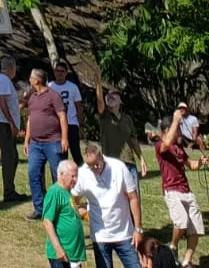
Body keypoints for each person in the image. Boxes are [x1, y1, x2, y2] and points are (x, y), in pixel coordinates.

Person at [73, 140, 143, 268]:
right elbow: (73, 200)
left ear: (101, 156)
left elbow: (133, 198)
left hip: (124, 234)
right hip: (100, 237)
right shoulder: (82, 173)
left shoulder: (118, 167)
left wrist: (138, 229)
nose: (94, 169)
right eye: (90, 166)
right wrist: (78, 212)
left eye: (96, 165)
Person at [154, 109, 208, 268]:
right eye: (176, 129)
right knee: (181, 222)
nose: (179, 132)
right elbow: (166, 144)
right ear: (166, 130)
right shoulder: (160, 146)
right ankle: (173, 246)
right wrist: (176, 119)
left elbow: (191, 165)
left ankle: (187, 261)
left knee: (197, 229)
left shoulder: (179, 149)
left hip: (186, 191)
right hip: (172, 190)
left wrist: (200, 162)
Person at [25, 69, 70, 220]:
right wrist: (27, 140)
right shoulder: (32, 98)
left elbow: (62, 117)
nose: (29, 80)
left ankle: (61, 207)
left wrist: (64, 138)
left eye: (31, 77)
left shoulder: (53, 96)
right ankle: (40, 208)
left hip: (53, 142)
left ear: (37, 80)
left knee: (59, 176)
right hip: (36, 144)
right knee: (33, 173)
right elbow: (31, 120)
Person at [93, 75, 147, 185]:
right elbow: (99, 101)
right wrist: (98, 83)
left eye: (114, 94)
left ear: (121, 101)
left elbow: (134, 141)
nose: (110, 95)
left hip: (129, 163)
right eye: (107, 94)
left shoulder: (127, 119)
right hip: (110, 164)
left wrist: (141, 159)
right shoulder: (104, 116)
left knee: (133, 198)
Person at [0, 54, 25, 205]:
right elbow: (2, 103)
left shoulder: (1, 80)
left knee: (13, 156)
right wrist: (11, 122)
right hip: (3, 123)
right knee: (9, 157)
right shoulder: (4, 80)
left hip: (3, 122)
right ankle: (8, 191)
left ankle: (10, 188)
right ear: (11, 67)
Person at [42, 159, 86, 266]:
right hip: (62, 254)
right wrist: (58, 250)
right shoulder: (55, 192)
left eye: (76, 176)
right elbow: (47, 222)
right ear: (61, 174)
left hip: (73, 253)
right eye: (72, 176)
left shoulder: (67, 192)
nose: (75, 179)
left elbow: (69, 214)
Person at [49, 64, 84, 167]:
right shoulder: (50, 86)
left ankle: (82, 176)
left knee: (76, 153)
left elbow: (78, 106)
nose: (59, 73)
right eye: (57, 71)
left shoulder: (72, 87)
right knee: (61, 155)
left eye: (62, 71)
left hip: (71, 122)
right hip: (56, 125)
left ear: (66, 73)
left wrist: (81, 124)